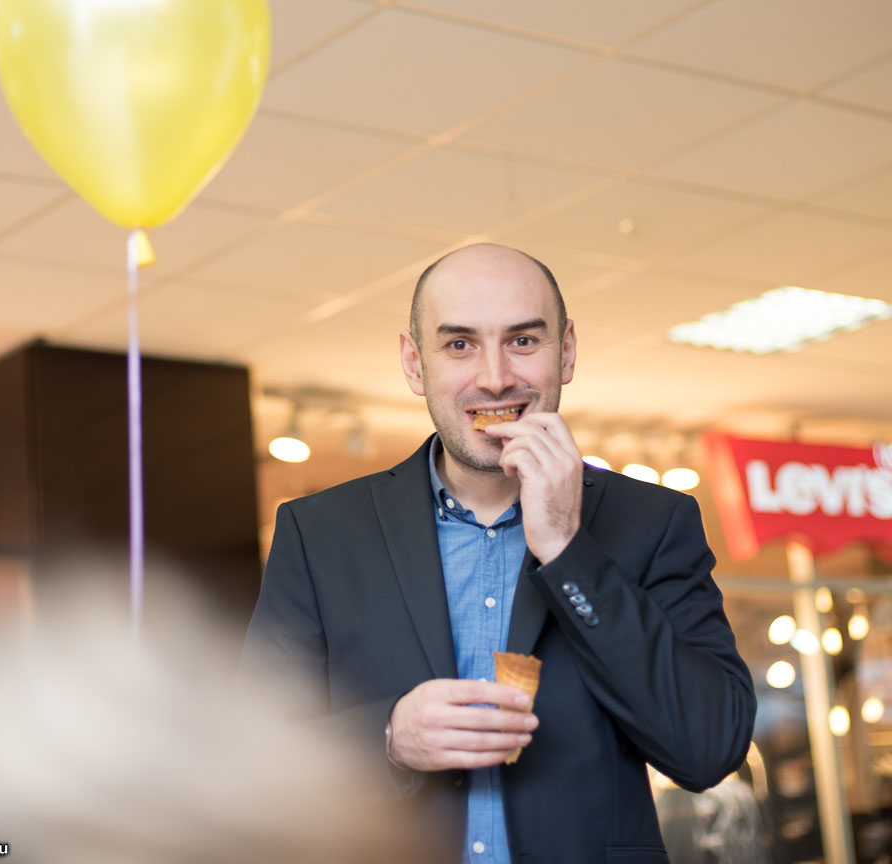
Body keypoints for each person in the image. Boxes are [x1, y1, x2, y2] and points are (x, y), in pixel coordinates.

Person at [242, 243, 757, 864]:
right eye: (459, 344)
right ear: (414, 363)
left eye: (523, 341)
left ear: (566, 351)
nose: (494, 377)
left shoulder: (655, 523)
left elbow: (710, 748)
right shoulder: (320, 534)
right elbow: (247, 758)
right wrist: (389, 738)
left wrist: (567, 550)